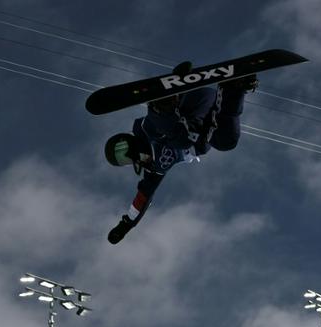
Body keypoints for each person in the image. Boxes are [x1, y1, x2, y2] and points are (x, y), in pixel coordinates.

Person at [104, 63, 258, 244]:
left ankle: (163, 105)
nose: (126, 157)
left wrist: (179, 83)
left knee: (178, 139)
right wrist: (126, 225)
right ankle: (233, 88)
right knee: (226, 142)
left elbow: (154, 129)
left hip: (191, 104)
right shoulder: (155, 168)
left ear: (126, 139)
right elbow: (143, 197)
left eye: (122, 150)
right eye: (122, 160)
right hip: (209, 116)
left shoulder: (144, 130)